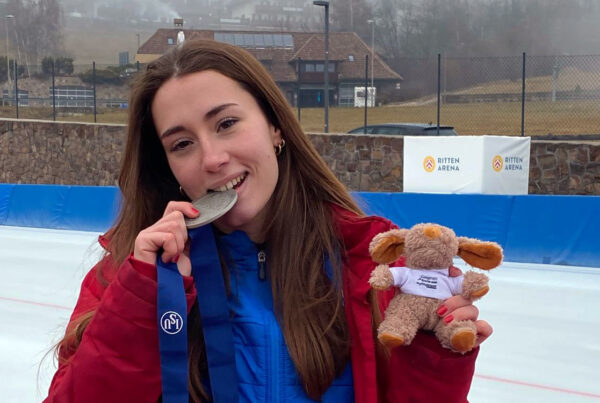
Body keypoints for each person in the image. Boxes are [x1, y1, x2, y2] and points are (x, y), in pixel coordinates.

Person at [44, 39, 492, 403]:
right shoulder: (132, 277)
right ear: (169, 170)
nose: (213, 159)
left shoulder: (373, 265)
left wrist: (435, 361)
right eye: (182, 144)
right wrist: (142, 303)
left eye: (226, 123)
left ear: (276, 128)